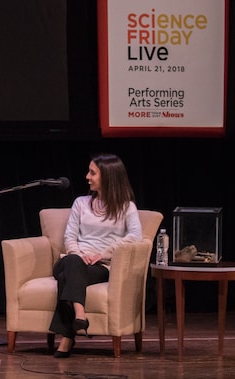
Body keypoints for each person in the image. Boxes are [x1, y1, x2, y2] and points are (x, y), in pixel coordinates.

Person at [50, 152, 142, 358]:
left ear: (108, 176)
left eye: (93, 173)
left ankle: (68, 337)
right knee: (71, 263)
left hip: (101, 267)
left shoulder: (127, 207)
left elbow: (135, 236)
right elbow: (70, 237)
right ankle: (80, 314)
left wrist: (101, 254)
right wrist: (79, 254)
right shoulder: (81, 203)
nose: (87, 177)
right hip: (72, 260)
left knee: (67, 278)